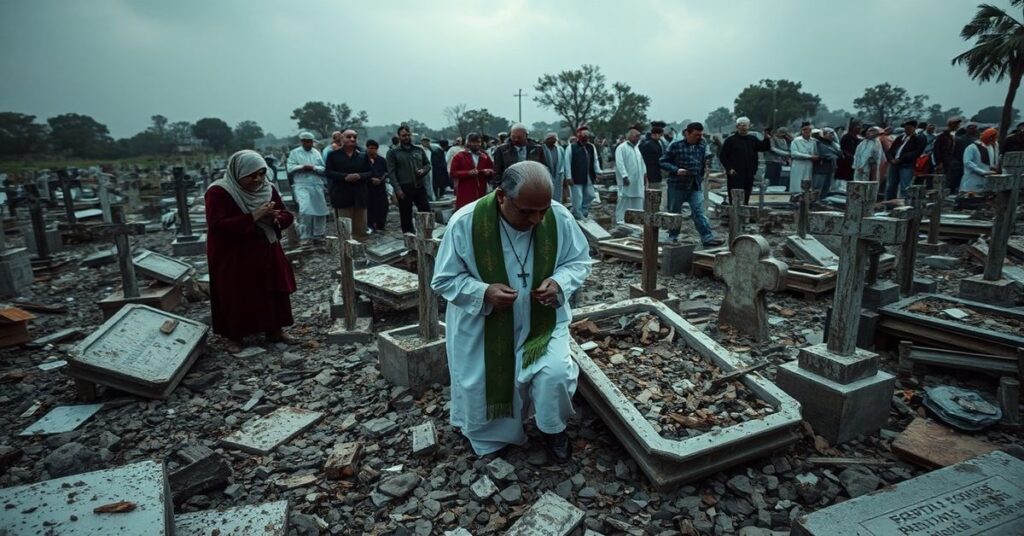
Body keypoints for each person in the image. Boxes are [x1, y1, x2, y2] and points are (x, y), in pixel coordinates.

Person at [431, 160, 592, 461]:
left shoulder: (558, 217)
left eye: (542, 210)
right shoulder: (466, 222)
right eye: (527, 212)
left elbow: (580, 262)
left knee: (555, 374)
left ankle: (552, 429)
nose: (536, 220)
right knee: (483, 383)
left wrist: (559, 282)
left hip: (541, 322)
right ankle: (491, 437)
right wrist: (484, 291)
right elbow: (443, 279)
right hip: (484, 325)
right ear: (502, 196)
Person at [205, 150, 296, 354]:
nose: (258, 179)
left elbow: (286, 214)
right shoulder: (219, 192)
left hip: (266, 247)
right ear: (238, 173)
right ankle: (235, 335)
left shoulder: (267, 189)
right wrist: (254, 215)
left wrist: (275, 218)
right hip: (234, 252)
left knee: (272, 287)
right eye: (252, 175)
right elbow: (217, 225)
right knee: (237, 293)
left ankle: (275, 329)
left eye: (262, 174)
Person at [659, 122, 724, 247]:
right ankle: (673, 236)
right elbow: (662, 162)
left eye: (700, 135)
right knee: (675, 213)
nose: (699, 137)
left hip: (694, 185)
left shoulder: (701, 146)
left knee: (698, 211)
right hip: (677, 185)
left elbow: (703, 161)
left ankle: (707, 237)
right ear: (687, 134)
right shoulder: (676, 146)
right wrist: (676, 170)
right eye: (696, 135)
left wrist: (704, 170)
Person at [324, 129, 372, 240]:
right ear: (341, 139)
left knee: (361, 230)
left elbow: (370, 172)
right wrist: (344, 177)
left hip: (360, 196)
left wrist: (360, 176)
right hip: (342, 196)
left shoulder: (363, 155)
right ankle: (346, 254)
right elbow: (328, 172)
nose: (352, 139)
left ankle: (361, 252)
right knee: (345, 230)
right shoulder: (333, 155)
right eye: (349, 137)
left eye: (354, 137)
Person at [285, 132, 329, 245]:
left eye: (309, 141)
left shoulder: (316, 153)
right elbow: (290, 168)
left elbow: (324, 168)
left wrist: (313, 168)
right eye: (305, 141)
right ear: (301, 142)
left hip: (316, 183)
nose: (307, 143)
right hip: (301, 184)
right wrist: (302, 167)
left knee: (320, 210)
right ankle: (306, 236)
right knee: (305, 209)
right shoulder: (295, 153)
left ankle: (319, 234)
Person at [386, 125, 432, 233]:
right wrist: (397, 190)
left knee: (426, 212)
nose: (406, 137)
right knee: (406, 216)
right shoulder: (393, 153)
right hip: (404, 188)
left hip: (419, 186)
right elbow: (391, 173)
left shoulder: (418, 150)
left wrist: (423, 171)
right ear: (399, 136)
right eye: (403, 135)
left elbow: (428, 164)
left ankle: (427, 235)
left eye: (408, 135)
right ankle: (410, 242)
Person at [717, 117, 772, 204]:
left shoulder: (752, 139)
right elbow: (722, 156)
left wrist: (767, 139)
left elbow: (764, 147)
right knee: (735, 195)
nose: (743, 127)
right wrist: (729, 169)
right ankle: (734, 214)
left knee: (747, 194)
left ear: (748, 126)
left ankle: (745, 212)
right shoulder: (730, 140)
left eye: (745, 125)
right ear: (737, 126)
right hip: (735, 173)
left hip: (749, 171)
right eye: (740, 125)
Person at [450, 133, 495, 210]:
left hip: (482, 191)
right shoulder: (460, 156)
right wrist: (468, 173)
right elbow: (453, 172)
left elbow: (493, 169)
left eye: (478, 142)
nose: (476, 144)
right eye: (473, 142)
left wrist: (489, 172)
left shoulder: (484, 155)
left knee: (480, 211)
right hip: (465, 191)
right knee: (465, 212)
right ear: (467, 143)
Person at [565, 126, 602, 219]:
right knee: (577, 197)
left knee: (590, 195)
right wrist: (568, 177)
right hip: (576, 176)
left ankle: (583, 210)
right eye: (584, 134)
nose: (586, 136)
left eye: (587, 134)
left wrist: (598, 172)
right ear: (578, 135)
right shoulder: (572, 147)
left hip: (588, 175)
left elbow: (595, 160)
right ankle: (577, 214)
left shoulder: (591, 147)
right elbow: (567, 162)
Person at [885, 120, 926, 200]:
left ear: (914, 128)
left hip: (906, 165)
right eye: (906, 128)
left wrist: (901, 159)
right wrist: (891, 159)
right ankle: (889, 204)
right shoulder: (900, 138)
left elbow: (917, 152)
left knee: (905, 186)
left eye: (909, 128)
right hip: (894, 164)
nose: (907, 129)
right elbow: (891, 150)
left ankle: (905, 204)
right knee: (891, 186)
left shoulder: (919, 138)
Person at [613, 127, 645, 224]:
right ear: (630, 136)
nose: (638, 138)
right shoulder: (621, 148)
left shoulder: (637, 148)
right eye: (636, 136)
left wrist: (645, 175)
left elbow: (641, 163)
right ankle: (620, 220)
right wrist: (624, 176)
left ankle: (637, 221)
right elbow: (620, 163)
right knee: (624, 200)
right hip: (627, 180)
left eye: (639, 137)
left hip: (638, 181)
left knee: (638, 199)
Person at [961, 128, 1001, 193]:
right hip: (972, 180)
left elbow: (993, 160)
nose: (993, 140)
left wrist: (994, 167)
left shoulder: (992, 147)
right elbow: (967, 162)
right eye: (992, 138)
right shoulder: (972, 147)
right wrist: (982, 171)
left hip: (987, 179)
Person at [365, 139, 390, 231]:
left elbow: (387, 172)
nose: (372, 150)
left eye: (374, 148)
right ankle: (370, 225)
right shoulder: (363, 159)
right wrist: (371, 179)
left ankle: (381, 225)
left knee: (383, 206)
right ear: (367, 148)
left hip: (380, 187)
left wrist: (381, 179)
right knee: (370, 207)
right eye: (370, 148)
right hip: (368, 187)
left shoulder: (381, 160)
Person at [949, 123, 980, 193]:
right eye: (971, 128)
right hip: (959, 163)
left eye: (974, 128)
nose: (973, 129)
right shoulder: (959, 140)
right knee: (956, 182)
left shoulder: (978, 140)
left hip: (970, 163)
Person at [812, 128, 842, 199]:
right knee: (817, 189)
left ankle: (822, 203)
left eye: (833, 133)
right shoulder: (818, 143)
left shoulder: (832, 144)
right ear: (824, 134)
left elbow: (840, 153)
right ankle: (814, 204)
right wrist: (835, 155)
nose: (832, 135)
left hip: (830, 169)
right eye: (830, 133)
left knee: (826, 189)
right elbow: (827, 155)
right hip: (820, 169)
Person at [789, 122, 818, 192]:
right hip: (798, 164)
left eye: (809, 130)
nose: (807, 131)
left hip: (809, 164)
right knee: (797, 182)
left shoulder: (814, 141)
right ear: (802, 131)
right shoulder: (796, 140)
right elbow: (794, 153)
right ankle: (795, 198)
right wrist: (809, 156)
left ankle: (806, 199)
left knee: (807, 182)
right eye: (805, 129)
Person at [639, 123, 666, 194]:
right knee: (653, 194)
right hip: (651, 173)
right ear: (656, 134)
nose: (661, 137)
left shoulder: (651, 143)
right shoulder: (649, 144)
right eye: (660, 135)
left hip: (653, 172)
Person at [541, 132, 567, 202]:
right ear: (546, 140)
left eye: (554, 138)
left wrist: (565, 175)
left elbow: (563, 162)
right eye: (550, 139)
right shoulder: (542, 149)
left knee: (558, 193)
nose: (552, 140)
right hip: (545, 174)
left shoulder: (560, 149)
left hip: (558, 174)